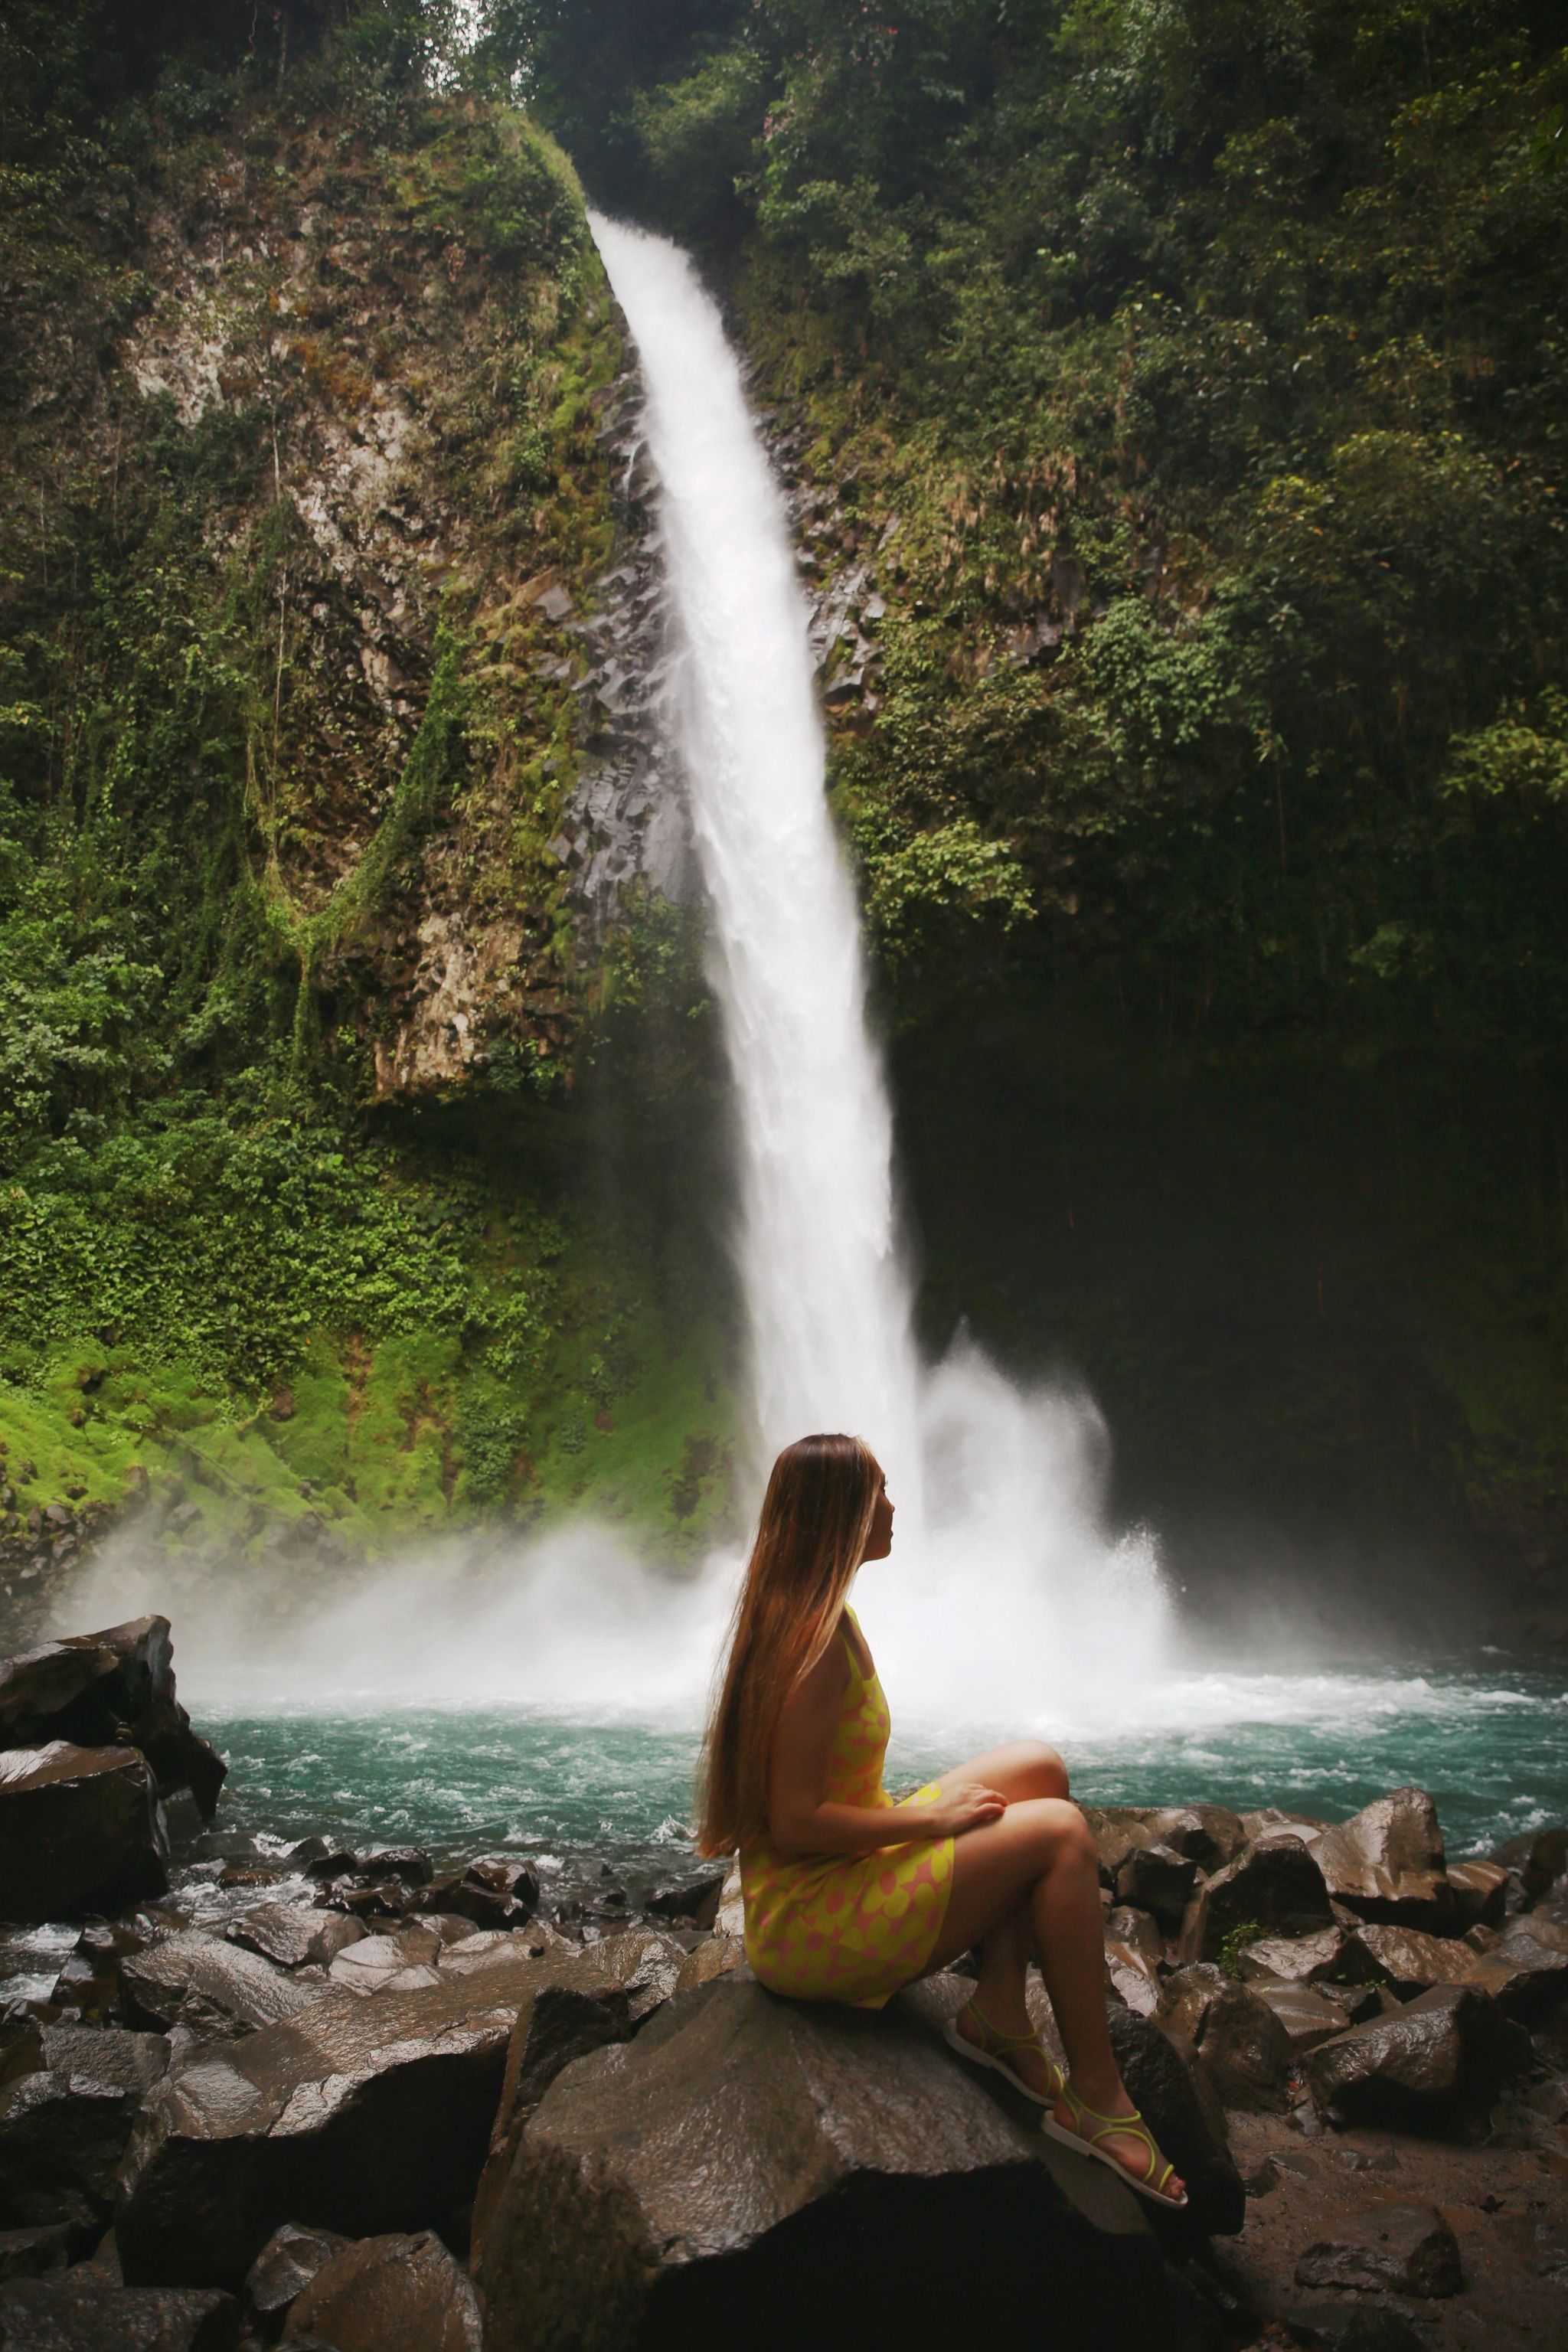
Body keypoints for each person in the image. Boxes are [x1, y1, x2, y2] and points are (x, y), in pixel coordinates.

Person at [696, 1429, 1186, 2208]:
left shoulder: (820, 1613)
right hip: (809, 1923)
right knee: (1058, 1832)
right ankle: (1095, 2099)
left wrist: (925, 1822)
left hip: (839, 1871)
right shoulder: (812, 1642)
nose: (892, 1507)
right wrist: (927, 1826)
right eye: (875, 1495)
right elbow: (792, 1826)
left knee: (1038, 1768)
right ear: (836, 1516)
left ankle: (998, 2013)